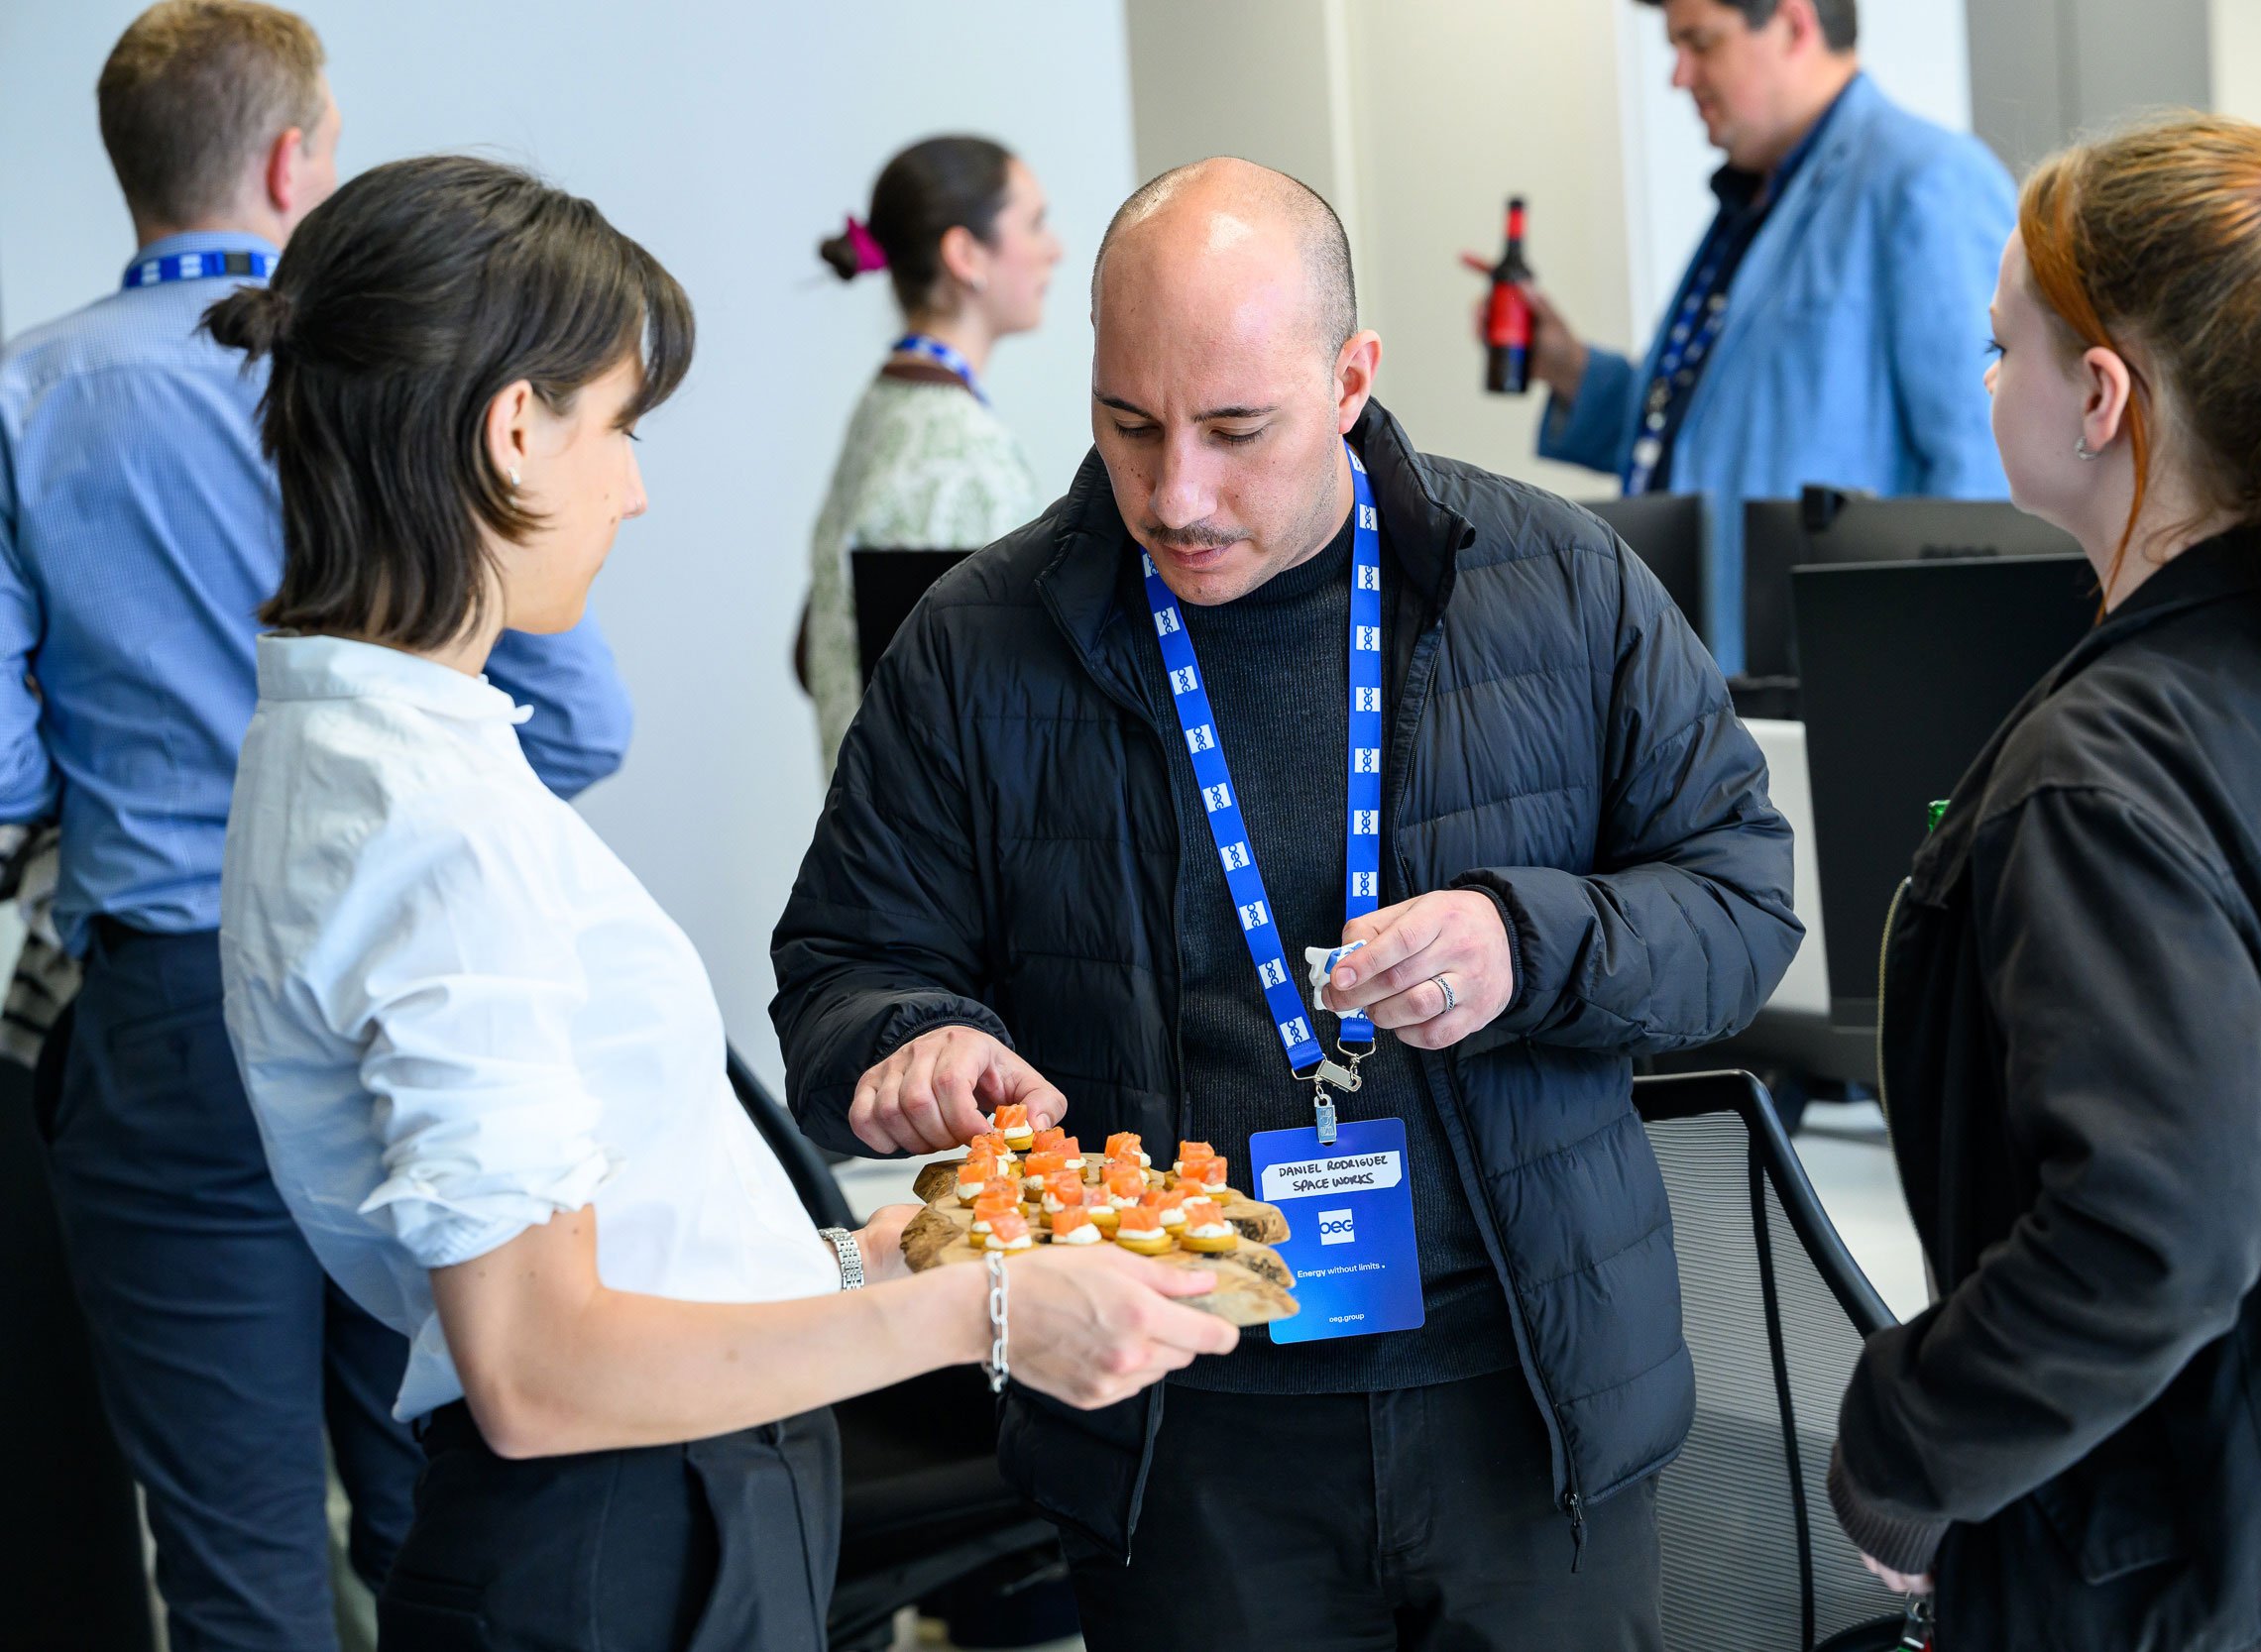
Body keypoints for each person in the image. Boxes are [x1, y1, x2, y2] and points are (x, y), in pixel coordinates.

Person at [206, 153, 1234, 1652]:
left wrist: (885, 1256)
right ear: (511, 429)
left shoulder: (363, 745)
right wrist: (990, 1315)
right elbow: (540, 1363)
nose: (630, 487)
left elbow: (600, 1232)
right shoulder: (430, 821)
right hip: (622, 1541)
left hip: (646, 1509)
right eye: (617, 429)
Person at [774, 157, 1801, 1651]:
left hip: (1526, 1408)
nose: (1174, 494)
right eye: (1129, 425)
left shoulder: (1559, 581)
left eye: (1235, 430)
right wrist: (911, 1037)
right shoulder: (978, 644)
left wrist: (1530, 943)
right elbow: (846, 960)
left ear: (1350, 379)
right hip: (1179, 1440)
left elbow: (1741, 895)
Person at [0, 6, 629, 1645]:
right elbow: (587, 720)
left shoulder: (20, 399)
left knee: (235, 1549)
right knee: (449, 1492)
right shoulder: (399, 386)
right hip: (406, 972)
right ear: (294, 161)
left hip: (166, 1020)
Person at [1830, 113, 2261, 1649]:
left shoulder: (2105, 769)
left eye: (2006, 350)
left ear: (2101, 396)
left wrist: (1902, 1453)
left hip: (2205, 1591)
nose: (1987, 383)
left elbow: (2155, 1233)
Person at [1491, 0, 2013, 672]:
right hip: (1707, 677)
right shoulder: (1752, 207)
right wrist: (1567, 367)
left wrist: (1934, 687)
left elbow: (1985, 467)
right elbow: (1708, 428)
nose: (1680, 76)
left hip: (1845, 675)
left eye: (1701, 43)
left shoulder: (1927, 182)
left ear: (1795, 24)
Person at [802, 136, 1060, 770]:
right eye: (1034, 225)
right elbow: (978, 708)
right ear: (966, 254)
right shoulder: (954, 446)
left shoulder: (886, 402)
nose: (1054, 248)